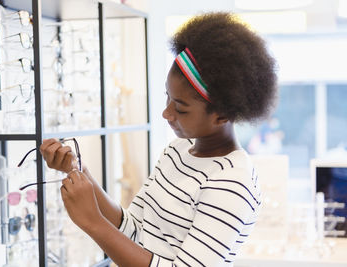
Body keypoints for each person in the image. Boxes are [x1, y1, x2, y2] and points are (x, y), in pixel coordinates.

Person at [40, 12, 277, 267]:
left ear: (222, 115)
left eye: (181, 107)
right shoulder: (177, 151)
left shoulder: (232, 182)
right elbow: (133, 230)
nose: (166, 113)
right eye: (168, 97)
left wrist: (92, 222)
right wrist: (78, 170)